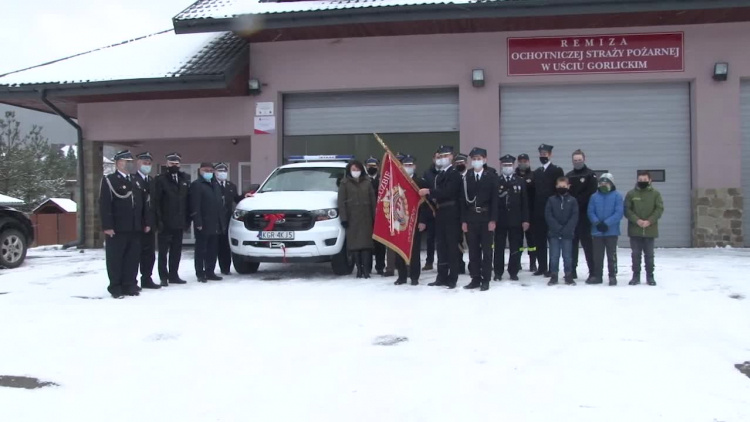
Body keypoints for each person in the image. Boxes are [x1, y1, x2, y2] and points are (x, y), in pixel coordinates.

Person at [99, 150, 151, 299]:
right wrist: (107, 226)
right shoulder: (110, 180)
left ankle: (130, 284)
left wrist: (146, 222)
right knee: (116, 258)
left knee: (132, 257)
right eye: (125, 161)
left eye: (130, 161)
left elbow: (143, 203)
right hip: (118, 227)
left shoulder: (135, 180)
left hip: (135, 226)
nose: (128, 163)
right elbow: (105, 204)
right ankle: (116, 286)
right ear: (118, 163)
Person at [419, 145, 462, 289]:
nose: (443, 158)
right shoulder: (440, 175)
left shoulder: (455, 174)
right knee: (441, 246)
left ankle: (452, 277)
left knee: (451, 246)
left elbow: (448, 191)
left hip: (452, 212)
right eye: (441, 156)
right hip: (440, 212)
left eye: (446, 156)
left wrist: (429, 191)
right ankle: (441, 276)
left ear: (451, 157)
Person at [460, 148, 498, 291]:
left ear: (485, 159)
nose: (476, 161)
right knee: (473, 251)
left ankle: (486, 279)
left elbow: (495, 200)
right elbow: (462, 200)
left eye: (479, 158)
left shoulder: (491, 176)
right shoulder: (467, 176)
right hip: (471, 218)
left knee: (487, 251)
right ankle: (475, 278)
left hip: (486, 218)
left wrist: (493, 220)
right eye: (474, 159)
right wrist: (463, 221)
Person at [152, 152, 191, 286]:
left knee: (176, 251)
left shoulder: (184, 179)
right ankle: (164, 276)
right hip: (165, 222)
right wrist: (159, 221)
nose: (174, 166)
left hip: (179, 222)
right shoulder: (160, 180)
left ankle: (174, 275)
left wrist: (187, 220)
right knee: (163, 252)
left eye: (176, 163)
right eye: (171, 163)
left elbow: (187, 201)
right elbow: (156, 202)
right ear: (167, 164)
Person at [394, 154, 430, 286]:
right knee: (399, 248)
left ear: (414, 166)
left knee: (414, 250)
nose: (408, 168)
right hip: (400, 220)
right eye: (406, 165)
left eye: (410, 165)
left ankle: (414, 276)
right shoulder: (398, 180)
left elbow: (425, 205)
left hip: (415, 220)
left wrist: (422, 221)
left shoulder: (420, 182)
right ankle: (401, 276)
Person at [338, 160, 376, 278]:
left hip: (366, 217)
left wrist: (375, 217)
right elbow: (341, 202)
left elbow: (373, 200)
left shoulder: (367, 182)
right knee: (355, 246)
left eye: (358, 170)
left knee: (366, 245)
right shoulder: (344, 183)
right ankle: (359, 269)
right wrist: (344, 218)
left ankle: (366, 270)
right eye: (353, 170)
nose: (356, 172)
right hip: (352, 218)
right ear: (349, 171)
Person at [494, 154, 530, 281]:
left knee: (516, 246)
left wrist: (526, 219)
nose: (507, 167)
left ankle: (513, 271)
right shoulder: (496, 181)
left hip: (516, 220)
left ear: (513, 166)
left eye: (509, 165)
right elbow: (493, 202)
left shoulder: (520, 181)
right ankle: (498, 272)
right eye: (505, 165)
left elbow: (525, 202)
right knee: (498, 247)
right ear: (501, 166)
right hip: (500, 220)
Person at [624, 171, 664, 286]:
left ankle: (650, 276)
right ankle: (635, 276)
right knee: (635, 254)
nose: (642, 182)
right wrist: (637, 220)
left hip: (650, 230)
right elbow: (627, 210)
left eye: (644, 180)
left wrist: (649, 221)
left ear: (650, 180)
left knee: (649, 255)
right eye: (640, 180)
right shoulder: (631, 194)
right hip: (635, 230)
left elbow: (659, 209)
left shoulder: (656, 194)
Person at [190, 163, 226, 283]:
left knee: (212, 249)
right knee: (201, 249)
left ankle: (210, 271)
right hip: (203, 222)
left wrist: (222, 223)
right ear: (200, 170)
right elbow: (195, 205)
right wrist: (198, 221)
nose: (209, 172)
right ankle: (200, 273)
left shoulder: (215, 184)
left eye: (211, 170)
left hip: (215, 223)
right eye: (206, 170)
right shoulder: (197, 185)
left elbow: (219, 205)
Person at [532, 144, 565, 277]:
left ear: (550, 155)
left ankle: (553, 268)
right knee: (539, 241)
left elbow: (559, 191)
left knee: (553, 241)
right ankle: (542, 266)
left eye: (545, 154)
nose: (543, 156)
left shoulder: (557, 170)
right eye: (541, 154)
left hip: (552, 211)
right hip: (539, 212)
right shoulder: (537, 172)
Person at [587, 173, 624, 285]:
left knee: (611, 255)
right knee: (597, 256)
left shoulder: (617, 196)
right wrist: (597, 223)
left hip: (611, 231)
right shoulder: (594, 196)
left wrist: (607, 223)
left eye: (606, 183)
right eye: (601, 183)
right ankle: (597, 276)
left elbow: (619, 213)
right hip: (597, 231)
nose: (603, 185)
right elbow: (590, 211)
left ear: (611, 183)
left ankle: (612, 276)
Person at [566, 149, 598, 280]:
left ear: (584, 159)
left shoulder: (591, 175)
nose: (577, 162)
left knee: (588, 246)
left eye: (579, 160)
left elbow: (592, 193)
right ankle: (572, 271)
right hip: (572, 216)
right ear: (572, 161)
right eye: (575, 160)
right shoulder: (569, 175)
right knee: (572, 246)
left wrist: (578, 202)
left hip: (585, 216)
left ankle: (593, 272)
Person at [132, 152, 160, 290]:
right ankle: (133, 280)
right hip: (139, 225)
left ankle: (147, 278)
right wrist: (144, 223)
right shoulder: (133, 180)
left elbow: (154, 203)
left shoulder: (152, 181)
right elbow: (137, 205)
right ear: (138, 163)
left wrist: (154, 222)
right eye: (144, 163)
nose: (147, 166)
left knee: (149, 254)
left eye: (149, 163)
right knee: (136, 253)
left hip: (151, 224)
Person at [545, 177, 578, 286]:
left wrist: (567, 229)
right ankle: (554, 275)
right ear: (556, 186)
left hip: (567, 234)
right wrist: (557, 228)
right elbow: (548, 215)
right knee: (554, 256)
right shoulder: (551, 200)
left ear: (568, 186)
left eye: (564, 186)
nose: (561, 188)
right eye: (559, 186)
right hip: (554, 233)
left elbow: (574, 216)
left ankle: (568, 275)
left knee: (567, 256)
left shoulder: (572, 200)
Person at [214, 162, 245, 275]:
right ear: (215, 172)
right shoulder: (212, 185)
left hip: (227, 220)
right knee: (213, 246)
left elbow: (236, 199)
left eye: (224, 171)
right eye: (220, 171)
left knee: (225, 246)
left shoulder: (231, 186)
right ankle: (209, 270)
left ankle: (225, 268)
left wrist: (245, 196)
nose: (222, 173)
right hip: (215, 220)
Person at [365, 156, 387, 276]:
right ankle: (367, 267)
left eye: (374, 166)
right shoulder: (363, 180)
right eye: (369, 166)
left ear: (378, 167)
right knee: (368, 243)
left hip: (380, 216)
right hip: (367, 216)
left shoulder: (382, 180)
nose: (371, 168)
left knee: (380, 243)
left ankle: (380, 267)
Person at [515, 153, 537, 272]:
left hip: (531, 213)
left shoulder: (533, 176)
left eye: (525, 161)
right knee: (518, 240)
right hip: (517, 213)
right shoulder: (514, 176)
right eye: (521, 161)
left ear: (529, 162)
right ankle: (517, 262)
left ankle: (533, 263)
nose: (523, 163)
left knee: (532, 241)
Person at [421, 151, 440, 271]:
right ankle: (429, 261)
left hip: (443, 209)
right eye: (437, 157)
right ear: (433, 159)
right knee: (430, 238)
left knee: (444, 239)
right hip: (430, 209)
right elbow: (423, 191)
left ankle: (445, 261)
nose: (439, 160)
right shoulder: (427, 173)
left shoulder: (447, 172)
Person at [453, 153, 468, 275]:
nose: (459, 165)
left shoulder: (471, 175)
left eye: (461, 163)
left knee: (472, 241)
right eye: (457, 163)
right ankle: (459, 265)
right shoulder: (453, 176)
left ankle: (474, 266)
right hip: (456, 213)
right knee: (457, 241)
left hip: (471, 213)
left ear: (466, 163)